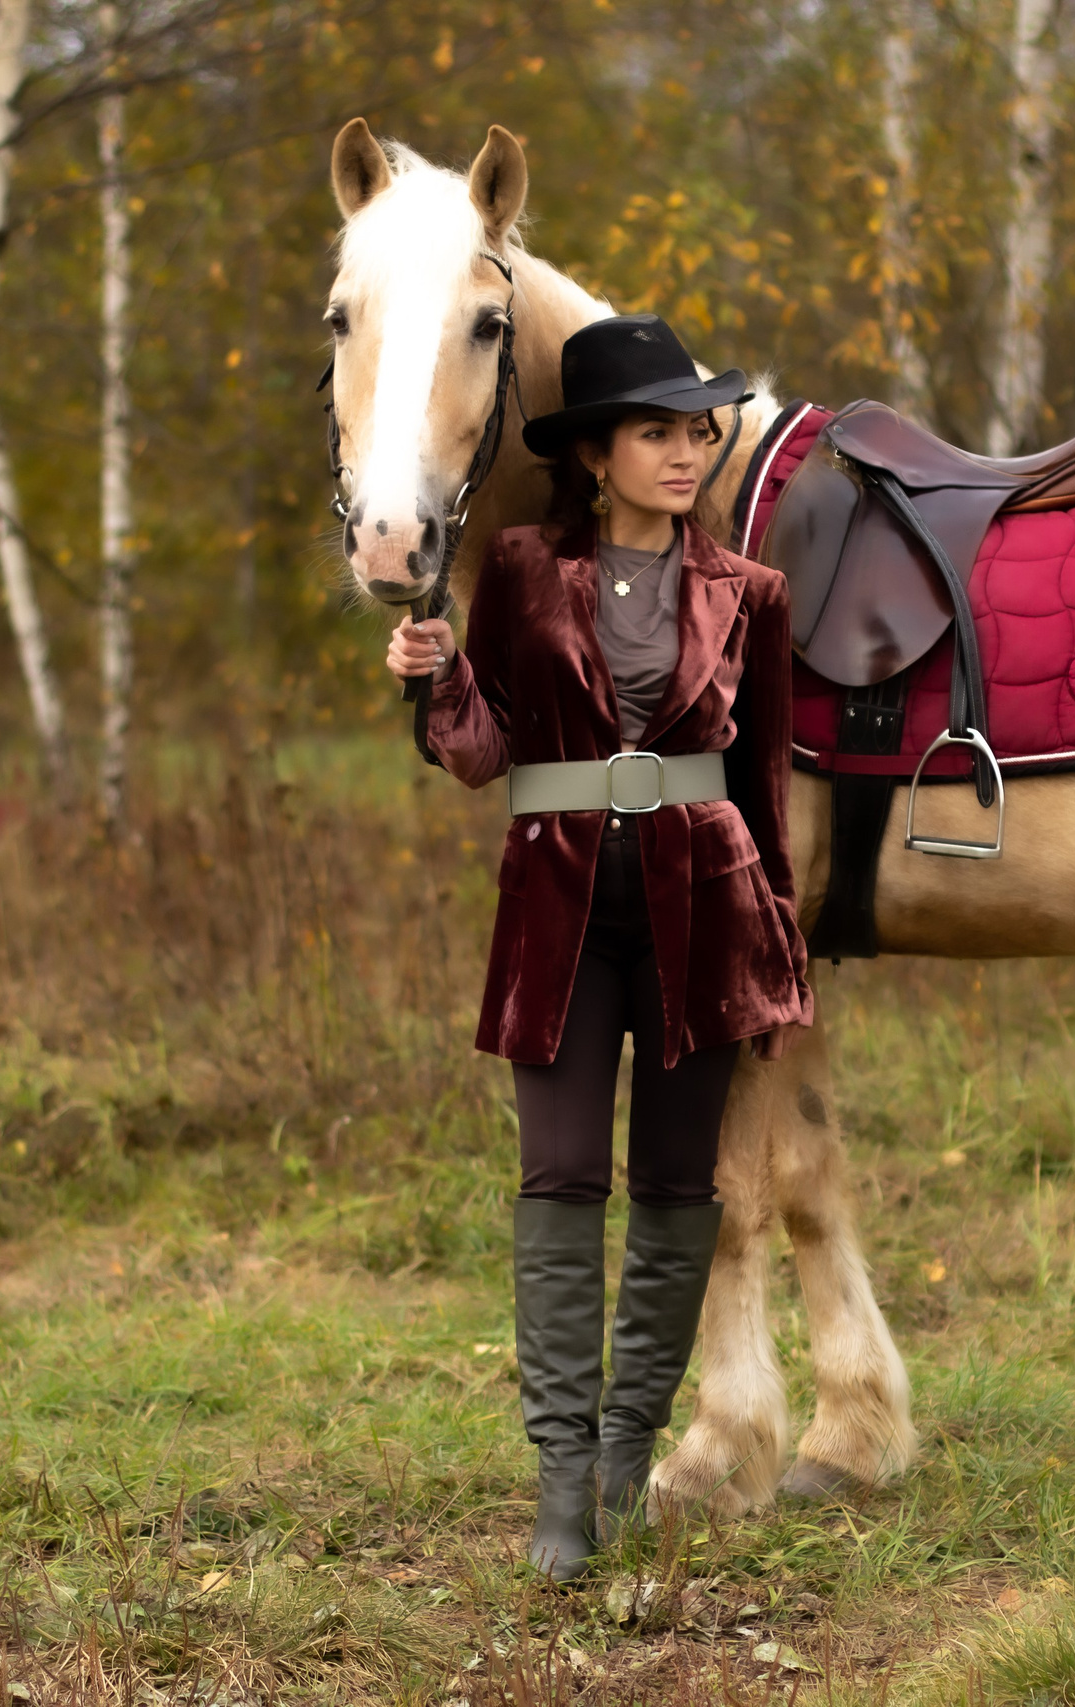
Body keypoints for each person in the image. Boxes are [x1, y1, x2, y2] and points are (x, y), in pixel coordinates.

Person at [383, 314, 812, 1581]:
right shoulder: (515, 571)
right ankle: (561, 1488)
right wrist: (434, 674)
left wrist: (777, 947)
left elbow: (766, 785)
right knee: (561, 1184)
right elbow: (481, 754)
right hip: (558, 914)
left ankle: (628, 1456)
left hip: (708, 915)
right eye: (655, 433)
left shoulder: (751, 596)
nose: (685, 454)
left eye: (696, 433)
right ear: (593, 454)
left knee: (680, 1196)